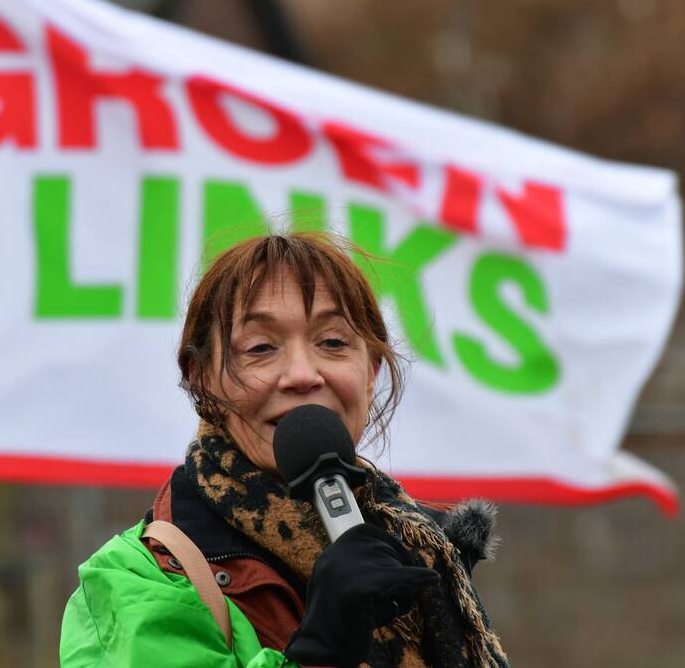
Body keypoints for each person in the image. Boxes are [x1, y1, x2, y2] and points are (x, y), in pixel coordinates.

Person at [60, 233, 509, 668]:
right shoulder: (136, 580)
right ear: (200, 378)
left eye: (333, 342)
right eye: (261, 348)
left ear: (371, 372)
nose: (301, 374)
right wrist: (321, 652)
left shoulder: (423, 551)